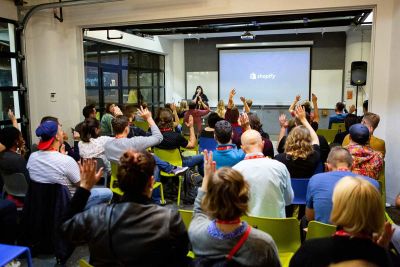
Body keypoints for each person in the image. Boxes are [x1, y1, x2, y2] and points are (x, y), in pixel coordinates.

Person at [61, 153, 189, 266]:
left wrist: (83, 190)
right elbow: (181, 256)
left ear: (120, 183)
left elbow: (64, 230)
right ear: (151, 182)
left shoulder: (97, 215)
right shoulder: (168, 218)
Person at [188, 150, 281, 267]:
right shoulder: (263, 243)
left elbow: (198, 212)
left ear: (209, 202)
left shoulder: (196, 233)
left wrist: (207, 178)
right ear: (244, 199)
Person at [290, 176, 394, 267]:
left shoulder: (310, 251)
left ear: (337, 207)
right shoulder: (389, 259)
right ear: (377, 210)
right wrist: (383, 253)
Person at [27, 120, 113, 209]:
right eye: (61, 131)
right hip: (70, 203)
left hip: (43, 205)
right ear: (57, 136)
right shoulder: (66, 161)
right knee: (107, 192)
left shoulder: (32, 157)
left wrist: (61, 156)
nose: (63, 133)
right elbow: (83, 186)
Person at [306, 147, 379, 224]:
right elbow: (375, 217)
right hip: (357, 234)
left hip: (323, 233)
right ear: (352, 165)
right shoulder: (373, 184)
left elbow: (310, 217)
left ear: (328, 165)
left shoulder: (315, 179)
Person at [233, 129, 293, 218]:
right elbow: (288, 200)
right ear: (263, 144)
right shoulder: (280, 167)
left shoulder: (235, 171)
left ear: (242, 148)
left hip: (247, 229)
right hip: (276, 229)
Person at [275, 106, 321, 179]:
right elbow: (315, 139)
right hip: (307, 189)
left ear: (289, 140)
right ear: (309, 140)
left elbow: (278, 147)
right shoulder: (314, 157)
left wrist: (283, 127)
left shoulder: (279, 158)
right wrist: (303, 119)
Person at [156, 109, 204, 175]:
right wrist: (191, 127)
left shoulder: (153, 135)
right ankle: (202, 180)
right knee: (202, 157)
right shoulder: (176, 136)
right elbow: (192, 145)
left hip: (160, 164)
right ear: (172, 120)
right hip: (178, 164)